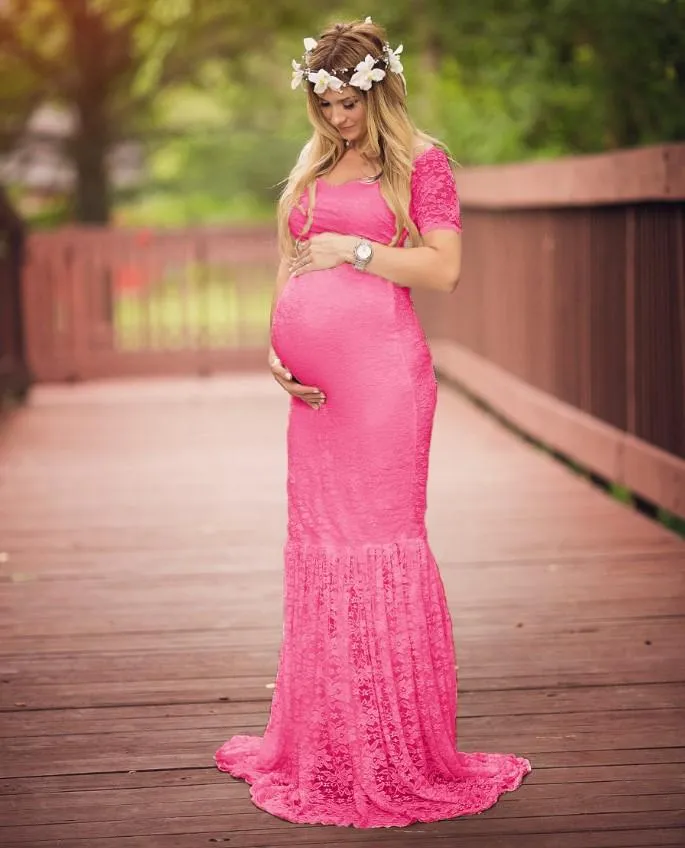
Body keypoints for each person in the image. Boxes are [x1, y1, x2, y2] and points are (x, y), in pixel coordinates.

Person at [214, 16, 531, 828]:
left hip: (385, 385)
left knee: (378, 546)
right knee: (321, 547)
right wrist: (276, 346)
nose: (332, 118)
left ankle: (393, 749)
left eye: (344, 104)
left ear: (377, 90)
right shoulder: (315, 160)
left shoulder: (422, 163)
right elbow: (289, 258)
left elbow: (444, 269)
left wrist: (351, 254)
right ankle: (327, 742)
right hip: (315, 399)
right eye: (320, 103)